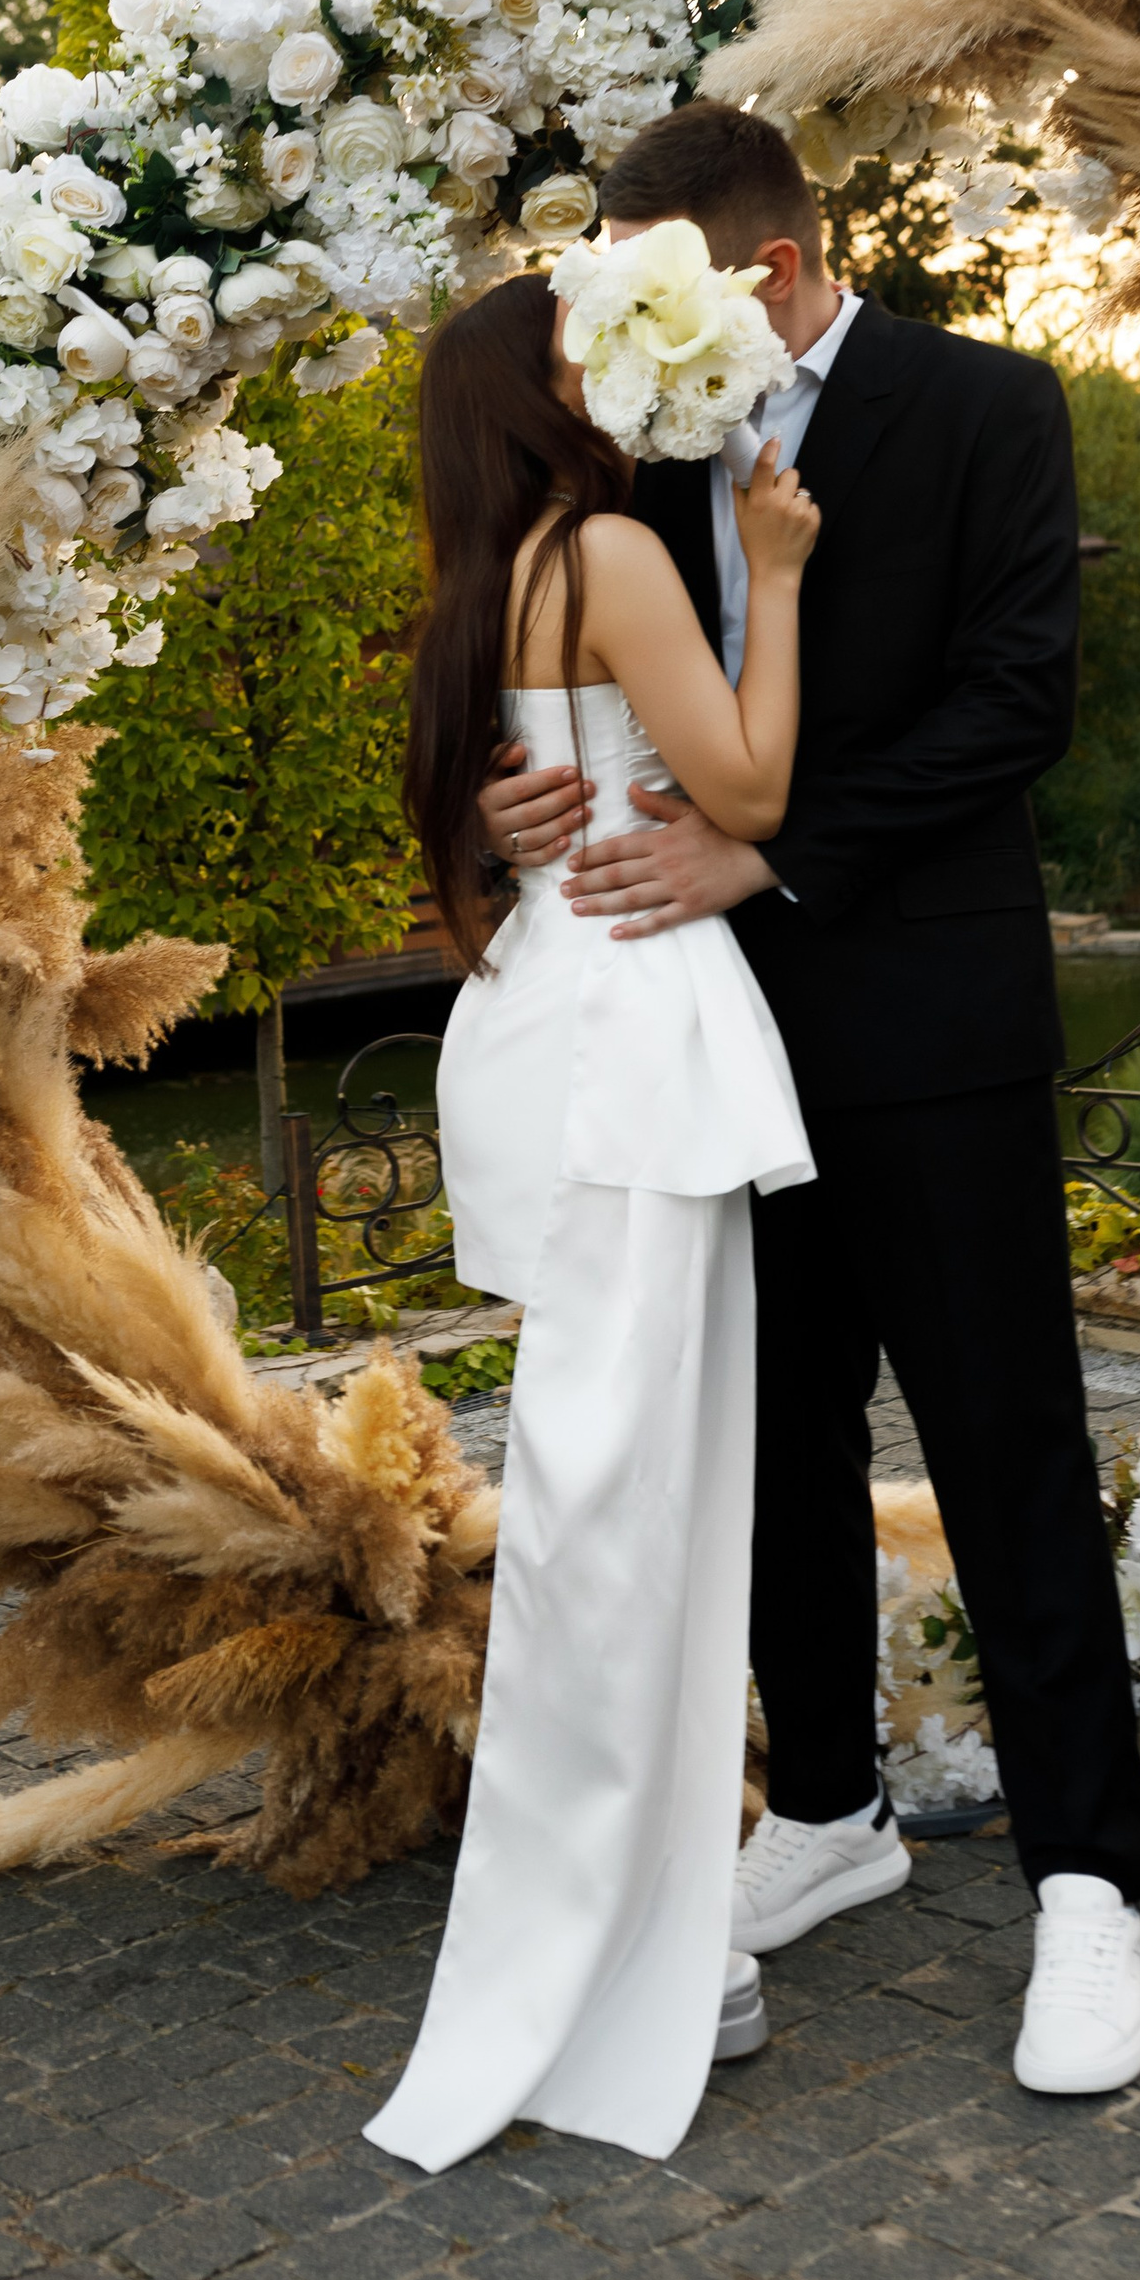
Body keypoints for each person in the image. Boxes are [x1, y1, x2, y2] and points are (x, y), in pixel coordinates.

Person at [479, 100, 1140, 2097]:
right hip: (704, 1043)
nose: (596, 315)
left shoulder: (982, 407)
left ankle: (1087, 1887)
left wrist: (763, 855)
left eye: (629, 272)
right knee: (769, 1452)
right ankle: (830, 1811)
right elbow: (582, 694)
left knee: (1000, 1443)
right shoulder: (630, 455)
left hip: (926, 1031)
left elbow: (1008, 701)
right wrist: (529, 799)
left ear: (756, 270)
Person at [365, 266, 823, 2173]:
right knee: (623, 1521)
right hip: (634, 1051)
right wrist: (779, 575)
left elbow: (488, 827)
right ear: (538, 396)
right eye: (588, 348)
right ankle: (618, 1937)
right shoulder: (612, 553)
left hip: (550, 1031)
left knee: (605, 1501)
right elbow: (752, 783)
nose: (619, 364)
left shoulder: (481, 588)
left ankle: (669, 1916)